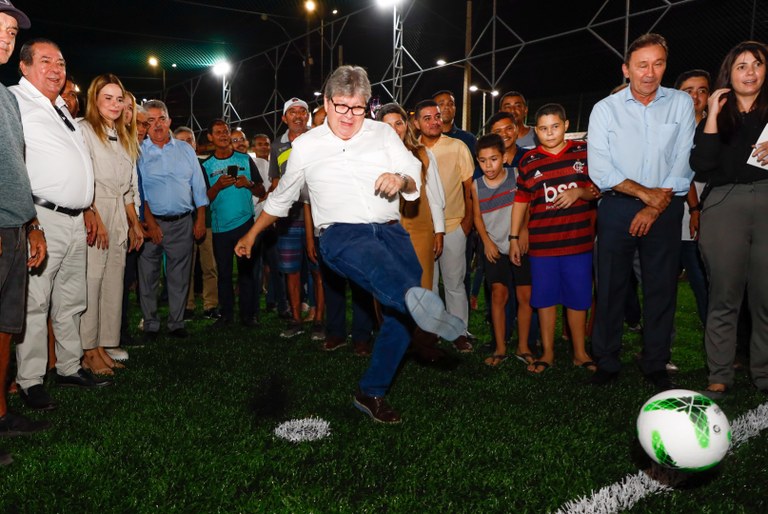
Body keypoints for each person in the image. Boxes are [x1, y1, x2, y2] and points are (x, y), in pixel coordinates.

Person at [235, 65, 464, 423]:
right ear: (326, 102)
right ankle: (426, 307)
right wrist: (252, 233)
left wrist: (399, 178)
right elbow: (282, 198)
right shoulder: (307, 145)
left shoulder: (382, 134)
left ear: (367, 106)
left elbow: (412, 174)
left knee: (400, 315)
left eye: (357, 108)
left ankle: (371, 392)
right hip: (342, 234)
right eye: (341, 106)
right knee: (402, 289)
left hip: (391, 231)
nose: (348, 116)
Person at [587, 33, 695, 390]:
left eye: (658, 63)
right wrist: (643, 194)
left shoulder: (680, 104)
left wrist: (655, 204)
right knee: (612, 287)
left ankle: (655, 362)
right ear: (626, 69)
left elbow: (684, 160)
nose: (650, 73)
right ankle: (606, 359)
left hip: (665, 207)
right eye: (642, 65)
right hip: (617, 207)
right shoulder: (605, 109)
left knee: (662, 288)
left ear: (665, 65)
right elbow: (600, 170)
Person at [12, 38, 112, 413]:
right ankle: (31, 381)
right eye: (45, 61)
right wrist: (30, 219)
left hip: (74, 219)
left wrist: (85, 206)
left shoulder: (60, 107)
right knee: (35, 303)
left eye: (62, 62)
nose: (56, 68)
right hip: (41, 217)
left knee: (71, 299)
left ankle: (69, 366)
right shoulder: (15, 101)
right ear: (23, 66)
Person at [690, 41, 768, 398]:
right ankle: (720, 373)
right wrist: (710, 114)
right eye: (741, 66)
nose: (750, 71)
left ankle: (763, 373)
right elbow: (703, 165)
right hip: (724, 203)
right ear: (729, 74)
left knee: (764, 297)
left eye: (757, 64)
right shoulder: (719, 112)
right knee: (724, 295)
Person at [510, 103, 599, 374]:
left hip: (578, 242)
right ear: (536, 131)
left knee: (578, 298)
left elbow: (598, 189)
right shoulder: (528, 160)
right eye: (544, 128)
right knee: (545, 299)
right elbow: (521, 199)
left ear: (567, 126)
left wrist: (579, 193)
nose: (550, 133)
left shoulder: (584, 153)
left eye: (555, 127)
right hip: (542, 245)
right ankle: (547, 352)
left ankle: (580, 352)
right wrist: (514, 236)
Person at [0, 1, 50, 465]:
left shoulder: (6, 98)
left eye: (11, 31)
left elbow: (16, 166)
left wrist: (32, 223)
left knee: (5, 327)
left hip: (16, 226)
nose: (5, 36)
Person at [79, 73, 143, 375]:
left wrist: (134, 223)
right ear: (95, 99)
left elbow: (128, 188)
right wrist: (93, 213)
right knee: (92, 281)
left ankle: (103, 344)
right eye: (108, 97)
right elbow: (82, 179)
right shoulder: (83, 130)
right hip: (94, 210)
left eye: (119, 99)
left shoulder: (124, 136)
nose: (115, 104)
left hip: (119, 211)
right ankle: (87, 349)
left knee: (113, 283)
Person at [378, 102, 447, 362]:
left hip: (419, 226)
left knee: (422, 284)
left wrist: (438, 230)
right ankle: (394, 342)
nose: (394, 129)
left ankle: (424, 341)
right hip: (386, 229)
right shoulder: (370, 157)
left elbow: (434, 195)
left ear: (406, 125)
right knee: (388, 285)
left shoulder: (422, 153)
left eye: (399, 123)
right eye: (387, 125)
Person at [137, 99, 209, 339]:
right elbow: (137, 190)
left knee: (179, 275)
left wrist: (200, 220)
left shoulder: (185, 149)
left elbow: (198, 187)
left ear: (169, 121)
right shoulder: (137, 150)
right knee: (148, 277)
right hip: (149, 224)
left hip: (182, 222)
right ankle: (151, 324)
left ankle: (176, 323)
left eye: (161, 119)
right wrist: (151, 223)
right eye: (150, 120)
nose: (157, 125)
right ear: (144, 124)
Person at [414, 99, 475, 353]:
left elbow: (469, 187)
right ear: (416, 122)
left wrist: (467, 222)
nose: (434, 121)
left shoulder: (458, 146)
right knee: (428, 285)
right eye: (426, 118)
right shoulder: (411, 150)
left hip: (453, 226)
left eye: (437, 116)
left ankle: (459, 333)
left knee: (454, 283)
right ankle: (433, 333)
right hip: (422, 230)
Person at [200, 119, 265, 326]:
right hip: (220, 227)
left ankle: (249, 315)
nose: (223, 135)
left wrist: (249, 184)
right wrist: (217, 186)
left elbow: (262, 192)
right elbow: (204, 198)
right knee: (224, 273)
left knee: (247, 272)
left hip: (245, 224)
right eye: (217, 132)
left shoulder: (245, 159)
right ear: (210, 137)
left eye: (225, 131)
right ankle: (226, 315)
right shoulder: (206, 165)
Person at [268, 97, 312, 337]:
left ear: (307, 116)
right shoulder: (278, 146)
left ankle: (319, 318)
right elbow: (275, 182)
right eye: (292, 112)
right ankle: (296, 319)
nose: (297, 115)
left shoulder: (319, 140)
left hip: (317, 214)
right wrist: (275, 214)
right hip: (289, 217)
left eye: (302, 111)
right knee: (291, 269)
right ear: (284, 118)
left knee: (319, 268)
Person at [472, 134, 516, 367]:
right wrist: (487, 243)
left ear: (505, 157)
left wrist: (522, 235)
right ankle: (500, 347)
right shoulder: (476, 185)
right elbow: (478, 218)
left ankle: (527, 346)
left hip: (518, 246)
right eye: (482, 161)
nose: (488, 166)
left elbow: (525, 208)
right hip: (494, 248)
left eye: (494, 159)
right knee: (499, 294)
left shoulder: (516, 176)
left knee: (527, 297)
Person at [675, 69, 711, 326]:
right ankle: (658, 348)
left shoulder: (720, 126)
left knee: (706, 282)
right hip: (677, 217)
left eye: (702, 90)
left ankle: (720, 345)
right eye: (688, 91)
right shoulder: (672, 128)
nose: (695, 96)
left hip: (711, 218)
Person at [173, 125, 221, 321]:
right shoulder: (170, 166)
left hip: (206, 221)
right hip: (182, 224)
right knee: (186, 268)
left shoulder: (204, 167)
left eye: (189, 140)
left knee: (210, 266)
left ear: (195, 144)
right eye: (181, 140)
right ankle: (188, 305)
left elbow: (206, 196)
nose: (186, 144)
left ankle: (211, 305)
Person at [433, 89, 477, 154]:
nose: (447, 107)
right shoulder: (426, 139)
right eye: (441, 104)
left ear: (455, 109)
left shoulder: (468, 139)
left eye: (451, 104)